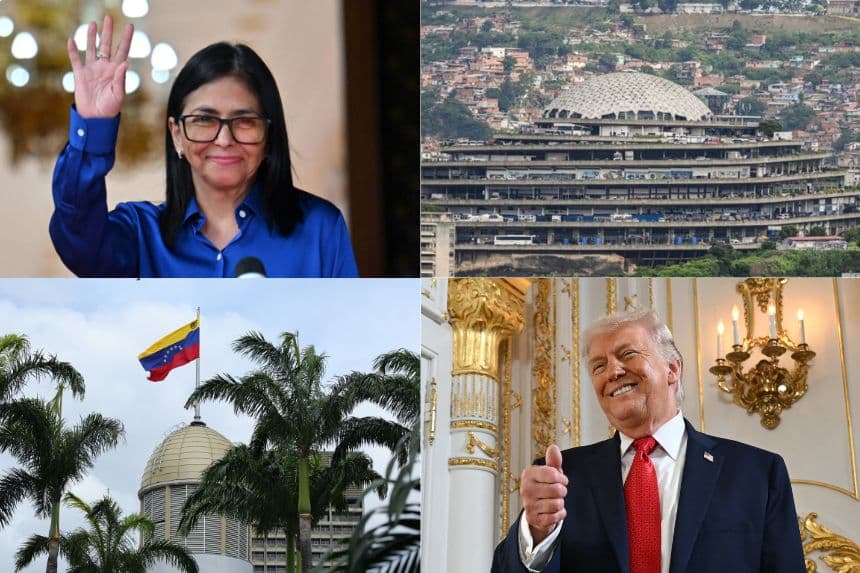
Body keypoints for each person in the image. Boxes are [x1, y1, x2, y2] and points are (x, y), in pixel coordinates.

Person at [492, 310, 805, 573]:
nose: (613, 371)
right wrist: (537, 531)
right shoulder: (560, 479)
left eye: (627, 354)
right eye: (598, 366)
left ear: (672, 369)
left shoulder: (757, 473)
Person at [50, 15, 359, 277]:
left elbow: (347, 337)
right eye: (204, 120)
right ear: (176, 135)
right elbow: (77, 241)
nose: (224, 140)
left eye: (244, 121)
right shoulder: (140, 235)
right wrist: (92, 127)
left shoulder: (320, 229)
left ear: (268, 136)